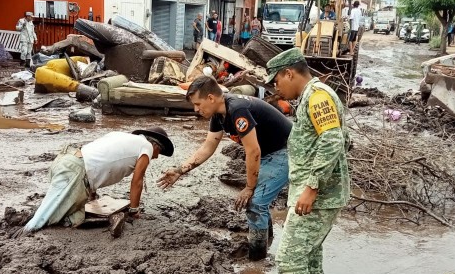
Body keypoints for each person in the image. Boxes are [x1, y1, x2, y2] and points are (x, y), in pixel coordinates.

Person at [158, 76, 292, 260]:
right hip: (269, 152)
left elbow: (253, 152)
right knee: (258, 202)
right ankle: (266, 242)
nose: (196, 110)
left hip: (286, 150)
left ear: (211, 98)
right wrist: (180, 171)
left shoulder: (238, 109)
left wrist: (249, 187)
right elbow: (208, 147)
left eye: (198, 104)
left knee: (255, 203)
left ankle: (258, 259)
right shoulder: (218, 115)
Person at [265, 48, 350, 274]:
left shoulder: (318, 97)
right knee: (310, 251)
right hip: (317, 192)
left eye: (277, 81)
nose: (276, 88)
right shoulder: (314, 97)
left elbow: (333, 140)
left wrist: (311, 187)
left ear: (289, 73)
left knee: (288, 257)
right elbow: (338, 139)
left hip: (317, 194)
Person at [22, 128, 174, 234]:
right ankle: (26, 232)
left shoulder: (119, 136)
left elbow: (97, 158)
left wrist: (92, 193)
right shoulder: (146, 147)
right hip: (76, 172)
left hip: (67, 160)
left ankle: (34, 217)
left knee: (58, 209)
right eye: (158, 152)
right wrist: (134, 210)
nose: (156, 157)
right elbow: (137, 181)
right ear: (155, 145)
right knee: (48, 218)